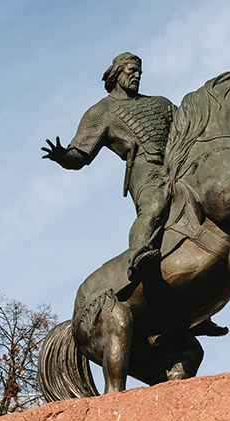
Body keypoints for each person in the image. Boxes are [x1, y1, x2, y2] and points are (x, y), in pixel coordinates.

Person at [42, 52, 174, 280]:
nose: (137, 76)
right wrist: (62, 156)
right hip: (146, 169)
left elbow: (192, 125)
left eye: (140, 72)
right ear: (116, 73)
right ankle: (139, 255)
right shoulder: (102, 112)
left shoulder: (160, 103)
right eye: (132, 71)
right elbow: (79, 155)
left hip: (177, 161)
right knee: (154, 206)